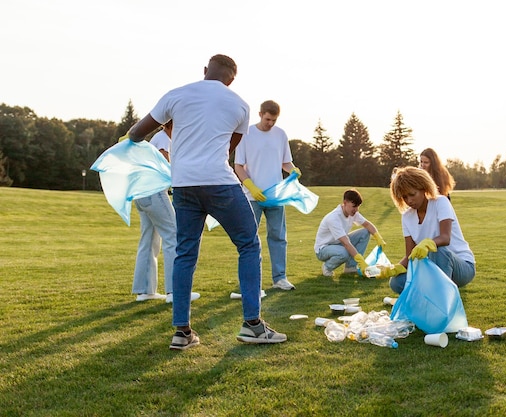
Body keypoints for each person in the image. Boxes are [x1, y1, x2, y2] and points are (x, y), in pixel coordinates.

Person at [126, 54, 286, 350]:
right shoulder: (240, 104)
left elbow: (136, 133)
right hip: (219, 183)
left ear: (204, 72)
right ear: (231, 80)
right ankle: (252, 325)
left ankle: (182, 332)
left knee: (185, 254)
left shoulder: (175, 95)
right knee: (248, 245)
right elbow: (228, 148)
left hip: (184, 186)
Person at [234, 100, 301, 291]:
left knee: (278, 237)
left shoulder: (280, 135)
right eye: (268, 119)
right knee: (249, 239)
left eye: (274, 120)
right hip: (252, 197)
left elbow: (285, 162)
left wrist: (293, 170)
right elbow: (238, 166)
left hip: (275, 196)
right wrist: (251, 186)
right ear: (260, 114)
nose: (270, 123)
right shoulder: (246, 134)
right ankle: (250, 282)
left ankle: (280, 278)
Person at [377, 166, 475, 294]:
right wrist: (395, 268)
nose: (409, 201)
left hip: (461, 267)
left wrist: (427, 244)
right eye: (404, 197)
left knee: (439, 251)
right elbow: (410, 255)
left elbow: (445, 238)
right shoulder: (407, 217)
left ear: (423, 188)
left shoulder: (441, 202)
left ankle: (440, 298)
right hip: (431, 268)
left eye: (412, 194)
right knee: (397, 282)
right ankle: (430, 291)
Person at [132, 121, 200, 304]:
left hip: (142, 194)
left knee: (148, 239)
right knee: (174, 237)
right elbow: (166, 167)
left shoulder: (157, 138)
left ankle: (144, 291)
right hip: (155, 193)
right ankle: (175, 292)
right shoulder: (163, 140)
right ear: (169, 126)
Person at [314, 189, 386, 277]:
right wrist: (361, 261)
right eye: (354, 206)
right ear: (345, 202)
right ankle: (327, 267)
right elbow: (346, 243)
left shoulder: (353, 213)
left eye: (358, 206)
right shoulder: (334, 218)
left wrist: (378, 237)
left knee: (365, 232)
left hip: (339, 244)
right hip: (323, 249)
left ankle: (350, 267)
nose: (356, 209)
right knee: (344, 252)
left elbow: (367, 224)